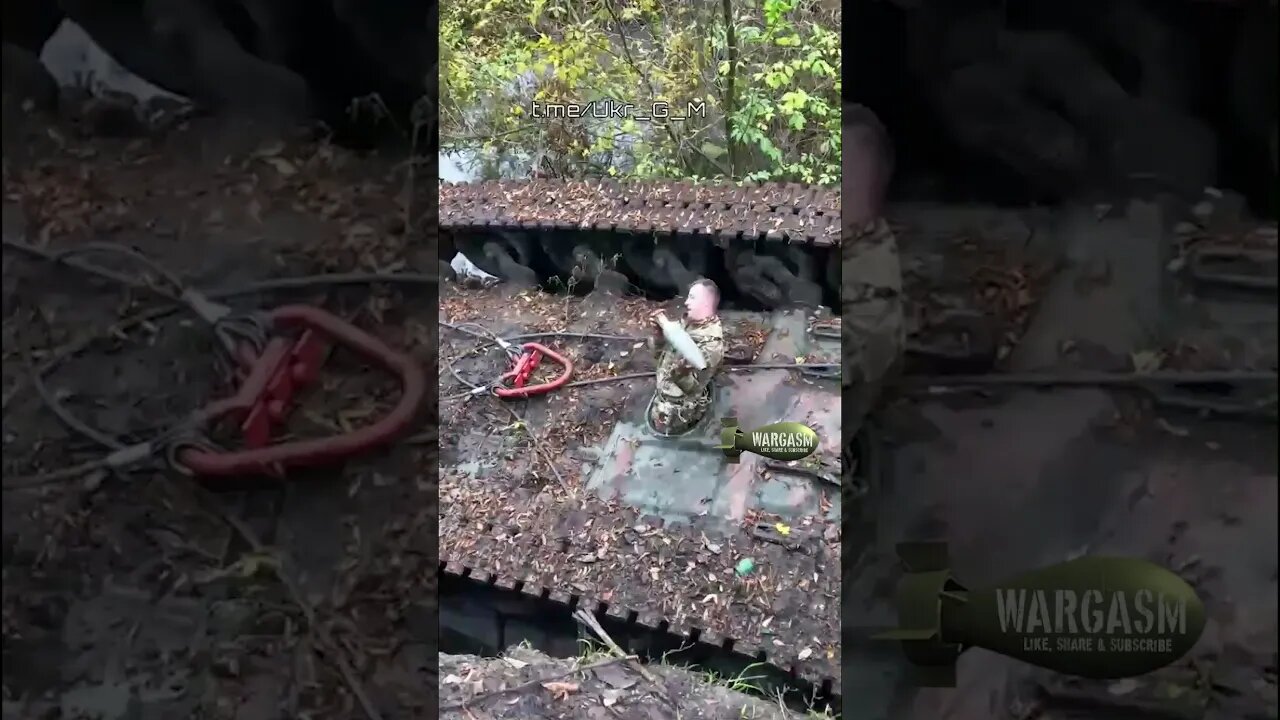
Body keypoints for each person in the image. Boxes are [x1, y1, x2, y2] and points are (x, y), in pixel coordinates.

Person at [648, 278, 726, 434]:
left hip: (677, 415)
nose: (686, 302)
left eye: (692, 297)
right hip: (663, 396)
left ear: (705, 303)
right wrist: (658, 337)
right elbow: (659, 357)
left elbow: (693, 388)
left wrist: (681, 373)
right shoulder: (686, 324)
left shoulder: (711, 346)